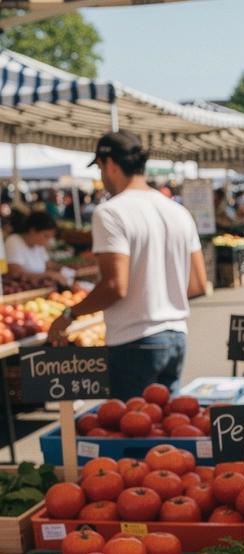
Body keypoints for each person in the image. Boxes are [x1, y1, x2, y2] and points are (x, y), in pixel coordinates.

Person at [47, 131, 207, 399]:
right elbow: (198, 284)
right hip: (176, 335)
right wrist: (160, 296)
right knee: (166, 421)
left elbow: (115, 286)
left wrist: (69, 315)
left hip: (135, 341)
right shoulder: (178, 212)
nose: (101, 176)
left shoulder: (111, 212)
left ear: (110, 164)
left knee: (131, 423)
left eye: (100, 168)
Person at [4, 213, 71, 287]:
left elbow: (49, 264)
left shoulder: (38, 246)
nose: (47, 240)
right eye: (45, 236)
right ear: (32, 231)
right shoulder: (14, 241)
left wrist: (69, 270)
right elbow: (16, 273)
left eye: (50, 237)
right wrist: (48, 274)